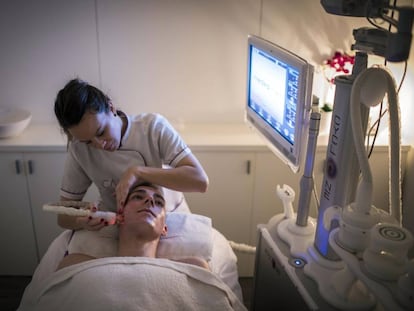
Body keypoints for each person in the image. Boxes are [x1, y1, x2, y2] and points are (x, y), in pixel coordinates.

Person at [54, 78, 209, 231]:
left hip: (170, 216)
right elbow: (63, 217)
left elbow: (200, 181)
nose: (99, 145)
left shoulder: (152, 128)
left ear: (111, 107)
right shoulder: (78, 149)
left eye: (101, 132)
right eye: (88, 142)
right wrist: (82, 221)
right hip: (122, 227)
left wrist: (138, 172)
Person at [57, 182, 209, 270]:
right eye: (138, 196)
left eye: (158, 202)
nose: (150, 201)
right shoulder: (75, 264)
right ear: (118, 216)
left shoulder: (193, 268)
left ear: (164, 228)